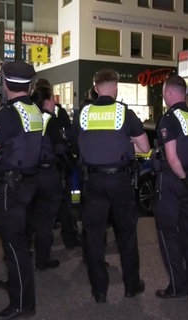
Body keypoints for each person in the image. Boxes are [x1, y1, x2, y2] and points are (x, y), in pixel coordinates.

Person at [74, 68, 149, 303]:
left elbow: (78, 145)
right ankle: (131, 286)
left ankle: (100, 291)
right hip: (119, 180)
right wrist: (126, 146)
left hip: (93, 181)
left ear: (96, 88)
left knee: (94, 237)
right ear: (115, 87)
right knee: (126, 234)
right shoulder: (124, 113)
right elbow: (145, 147)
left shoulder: (83, 113)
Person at [0, 61, 42, 319]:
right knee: (22, 244)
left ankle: (22, 305)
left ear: (5, 83)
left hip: (11, 186)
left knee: (14, 246)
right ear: (30, 85)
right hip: (29, 183)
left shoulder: (8, 113)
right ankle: (22, 292)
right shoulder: (33, 109)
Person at [152, 74, 188, 299]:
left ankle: (178, 287)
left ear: (170, 93)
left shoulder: (168, 119)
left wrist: (183, 177)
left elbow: (172, 157)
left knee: (167, 233)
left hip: (173, 182)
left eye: (165, 92)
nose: (164, 96)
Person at [35, 78, 81, 249]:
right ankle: (69, 238)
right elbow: (65, 137)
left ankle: (35, 244)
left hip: (34, 169)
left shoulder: (30, 114)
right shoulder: (54, 116)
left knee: (38, 210)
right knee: (63, 205)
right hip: (55, 167)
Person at [28, 85, 68, 270]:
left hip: (28, 174)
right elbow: (60, 148)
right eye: (52, 99)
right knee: (45, 221)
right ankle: (43, 260)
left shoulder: (28, 116)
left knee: (28, 218)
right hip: (47, 174)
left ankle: (21, 256)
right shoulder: (49, 121)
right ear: (45, 101)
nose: (55, 102)